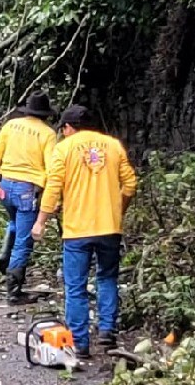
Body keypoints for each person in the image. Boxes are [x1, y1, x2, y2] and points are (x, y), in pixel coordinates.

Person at [31, 105, 137, 358]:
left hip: (77, 230)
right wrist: (117, 210)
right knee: (107, 278)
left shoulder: (64, 149)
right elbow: (131, 184)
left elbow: (54, 186)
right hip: (109, 228)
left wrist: (41, 221)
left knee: (76, 286)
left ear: (68, 127)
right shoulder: (112, 145)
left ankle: (80, 343)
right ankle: (107, 333)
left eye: (63, 129)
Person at [0, 91, 58, 304]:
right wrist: (54, 198)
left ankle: (4, 259)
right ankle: (14, 292)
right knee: (24, 242)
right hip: (27, 189)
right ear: (45, 114)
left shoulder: (10, 125)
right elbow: (52, 168)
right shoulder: (47, 134)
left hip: (4, 186)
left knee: (13, 221)